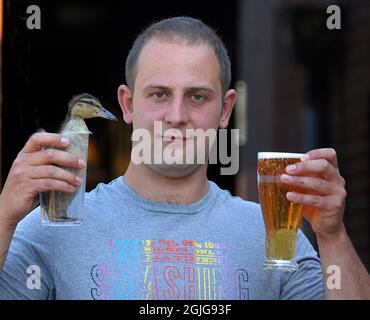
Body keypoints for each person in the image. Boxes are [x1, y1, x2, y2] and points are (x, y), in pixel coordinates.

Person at [0, 16, 369, 300]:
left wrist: (332, 235)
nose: (176, 115)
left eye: (197, 96)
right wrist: (3, 218)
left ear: (225, 111)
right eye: (159, 94)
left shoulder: (271, 233)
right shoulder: (55, 225)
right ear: (128, 104)